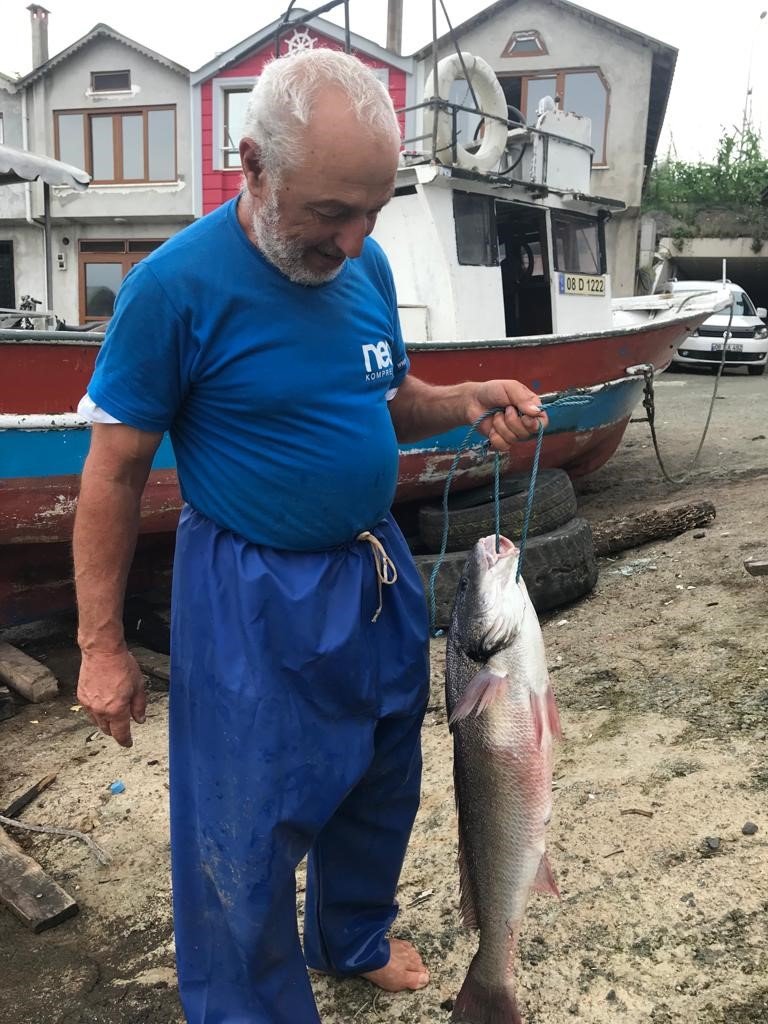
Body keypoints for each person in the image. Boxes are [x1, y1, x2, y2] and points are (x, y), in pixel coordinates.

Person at [73, 49, 547, 1023]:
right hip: (251, 593)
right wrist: (99, 645)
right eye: (332, 211)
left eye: (373, 208)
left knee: (382, 778)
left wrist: (464, 399)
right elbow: (113, 471)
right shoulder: (173, 288)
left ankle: (352, 933)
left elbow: (383, 397)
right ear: (251, 164)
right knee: (243, 832)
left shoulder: (362, 261)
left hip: (373, 573)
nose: (356, 237)